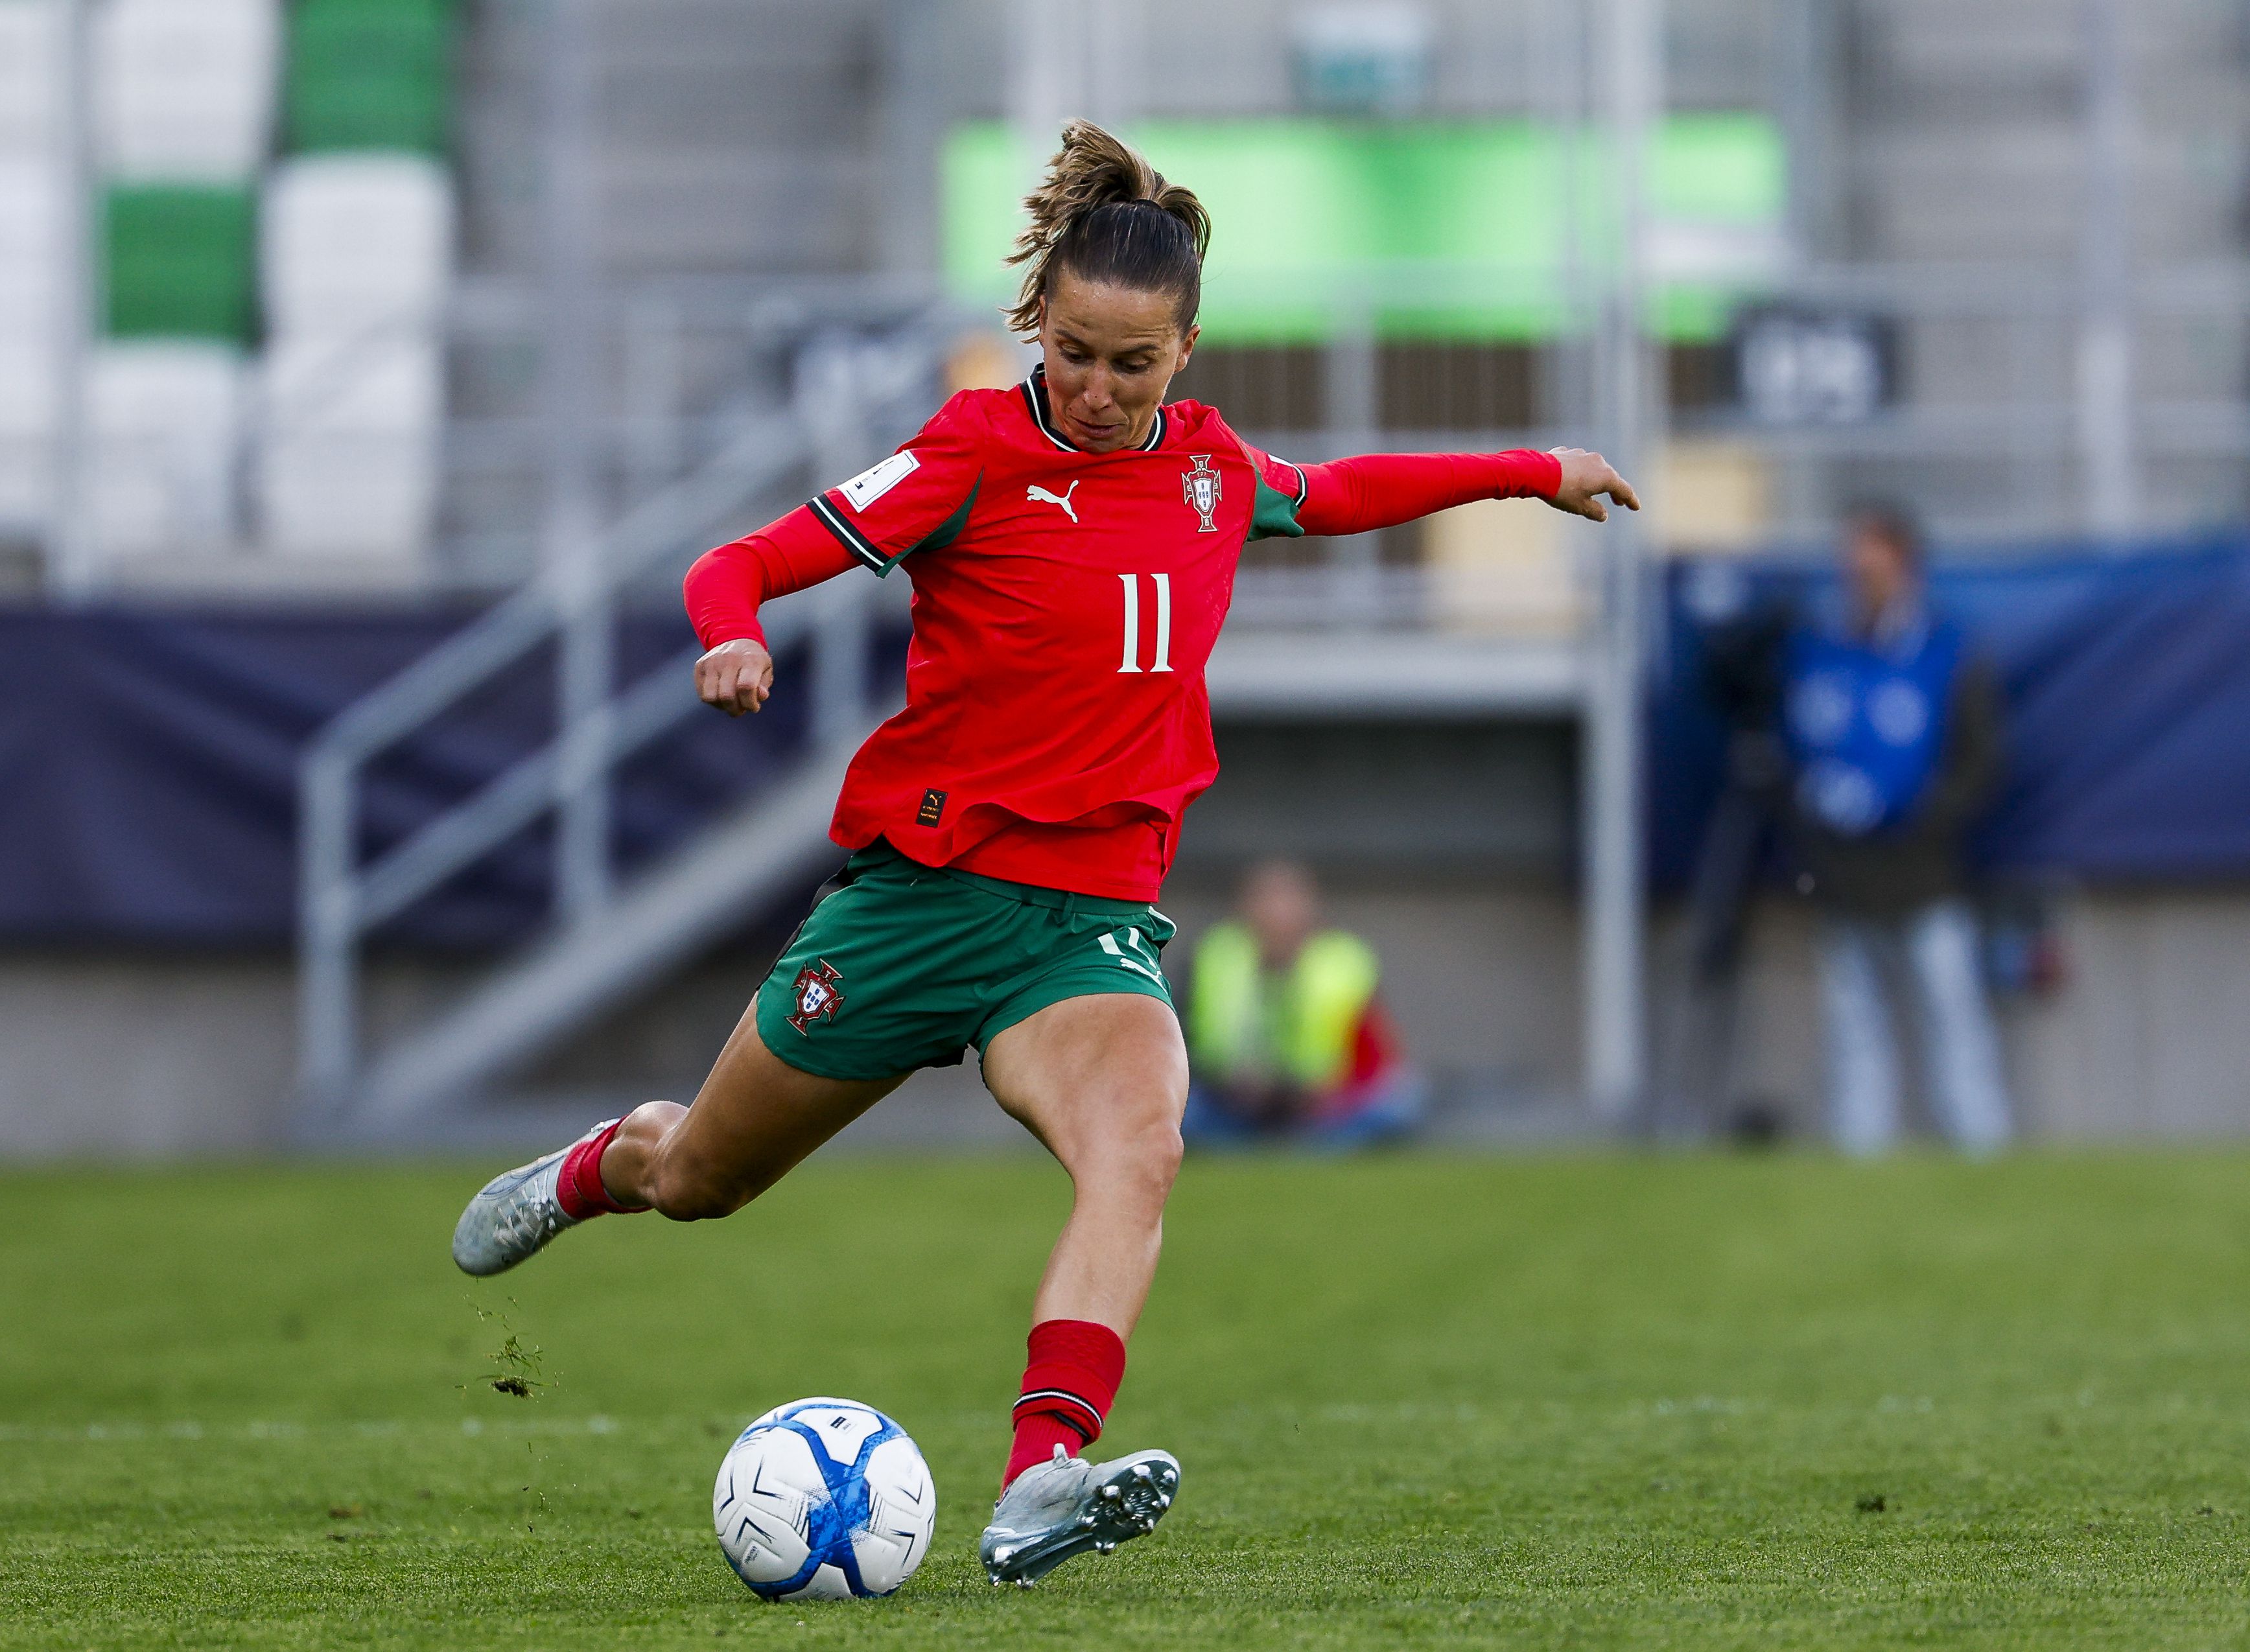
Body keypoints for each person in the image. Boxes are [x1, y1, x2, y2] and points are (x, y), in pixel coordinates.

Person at [448, 120, 1638, 1587]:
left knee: (1139, 1149)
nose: (1094, 387)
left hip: (1085, 925)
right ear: (1040, 325)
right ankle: (585, 1174)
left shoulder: (1209, 473)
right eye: (1073, 351)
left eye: (1130, 365)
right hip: (918, 904)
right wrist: (733, 636)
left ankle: (1038, 1477)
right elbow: (738, 559)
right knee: (699, 1178)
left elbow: (1335, 492)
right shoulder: (970, 452)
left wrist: (1528, 469)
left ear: (1186, 352)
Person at [1783, 503, 2011, 1156]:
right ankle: (1862, 1153)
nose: (1863, 579)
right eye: (1854, 567)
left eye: (1876, 566)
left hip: (1925, 870)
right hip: (1844, 871)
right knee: (1853, 1020)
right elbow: (1795, 747)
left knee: (1951, 1013)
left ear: (1905, 568)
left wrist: (1920, 816)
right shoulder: (1820, 650)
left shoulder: (1945, 650)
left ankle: (1980, 1149)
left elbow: (1980, 759)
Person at [1181, 859, 1422, 1148]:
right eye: (1266, 900)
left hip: (1323, 1108)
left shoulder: (1342, 962)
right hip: (1235, 1103)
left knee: (1402, 1100)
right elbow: (1186, 1039)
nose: (1277, 912)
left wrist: (1323, 1094)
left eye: (1287, 900)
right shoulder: (1218, 957)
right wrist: (1230, 1081)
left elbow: (1377, 1056)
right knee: (1181, 1110)